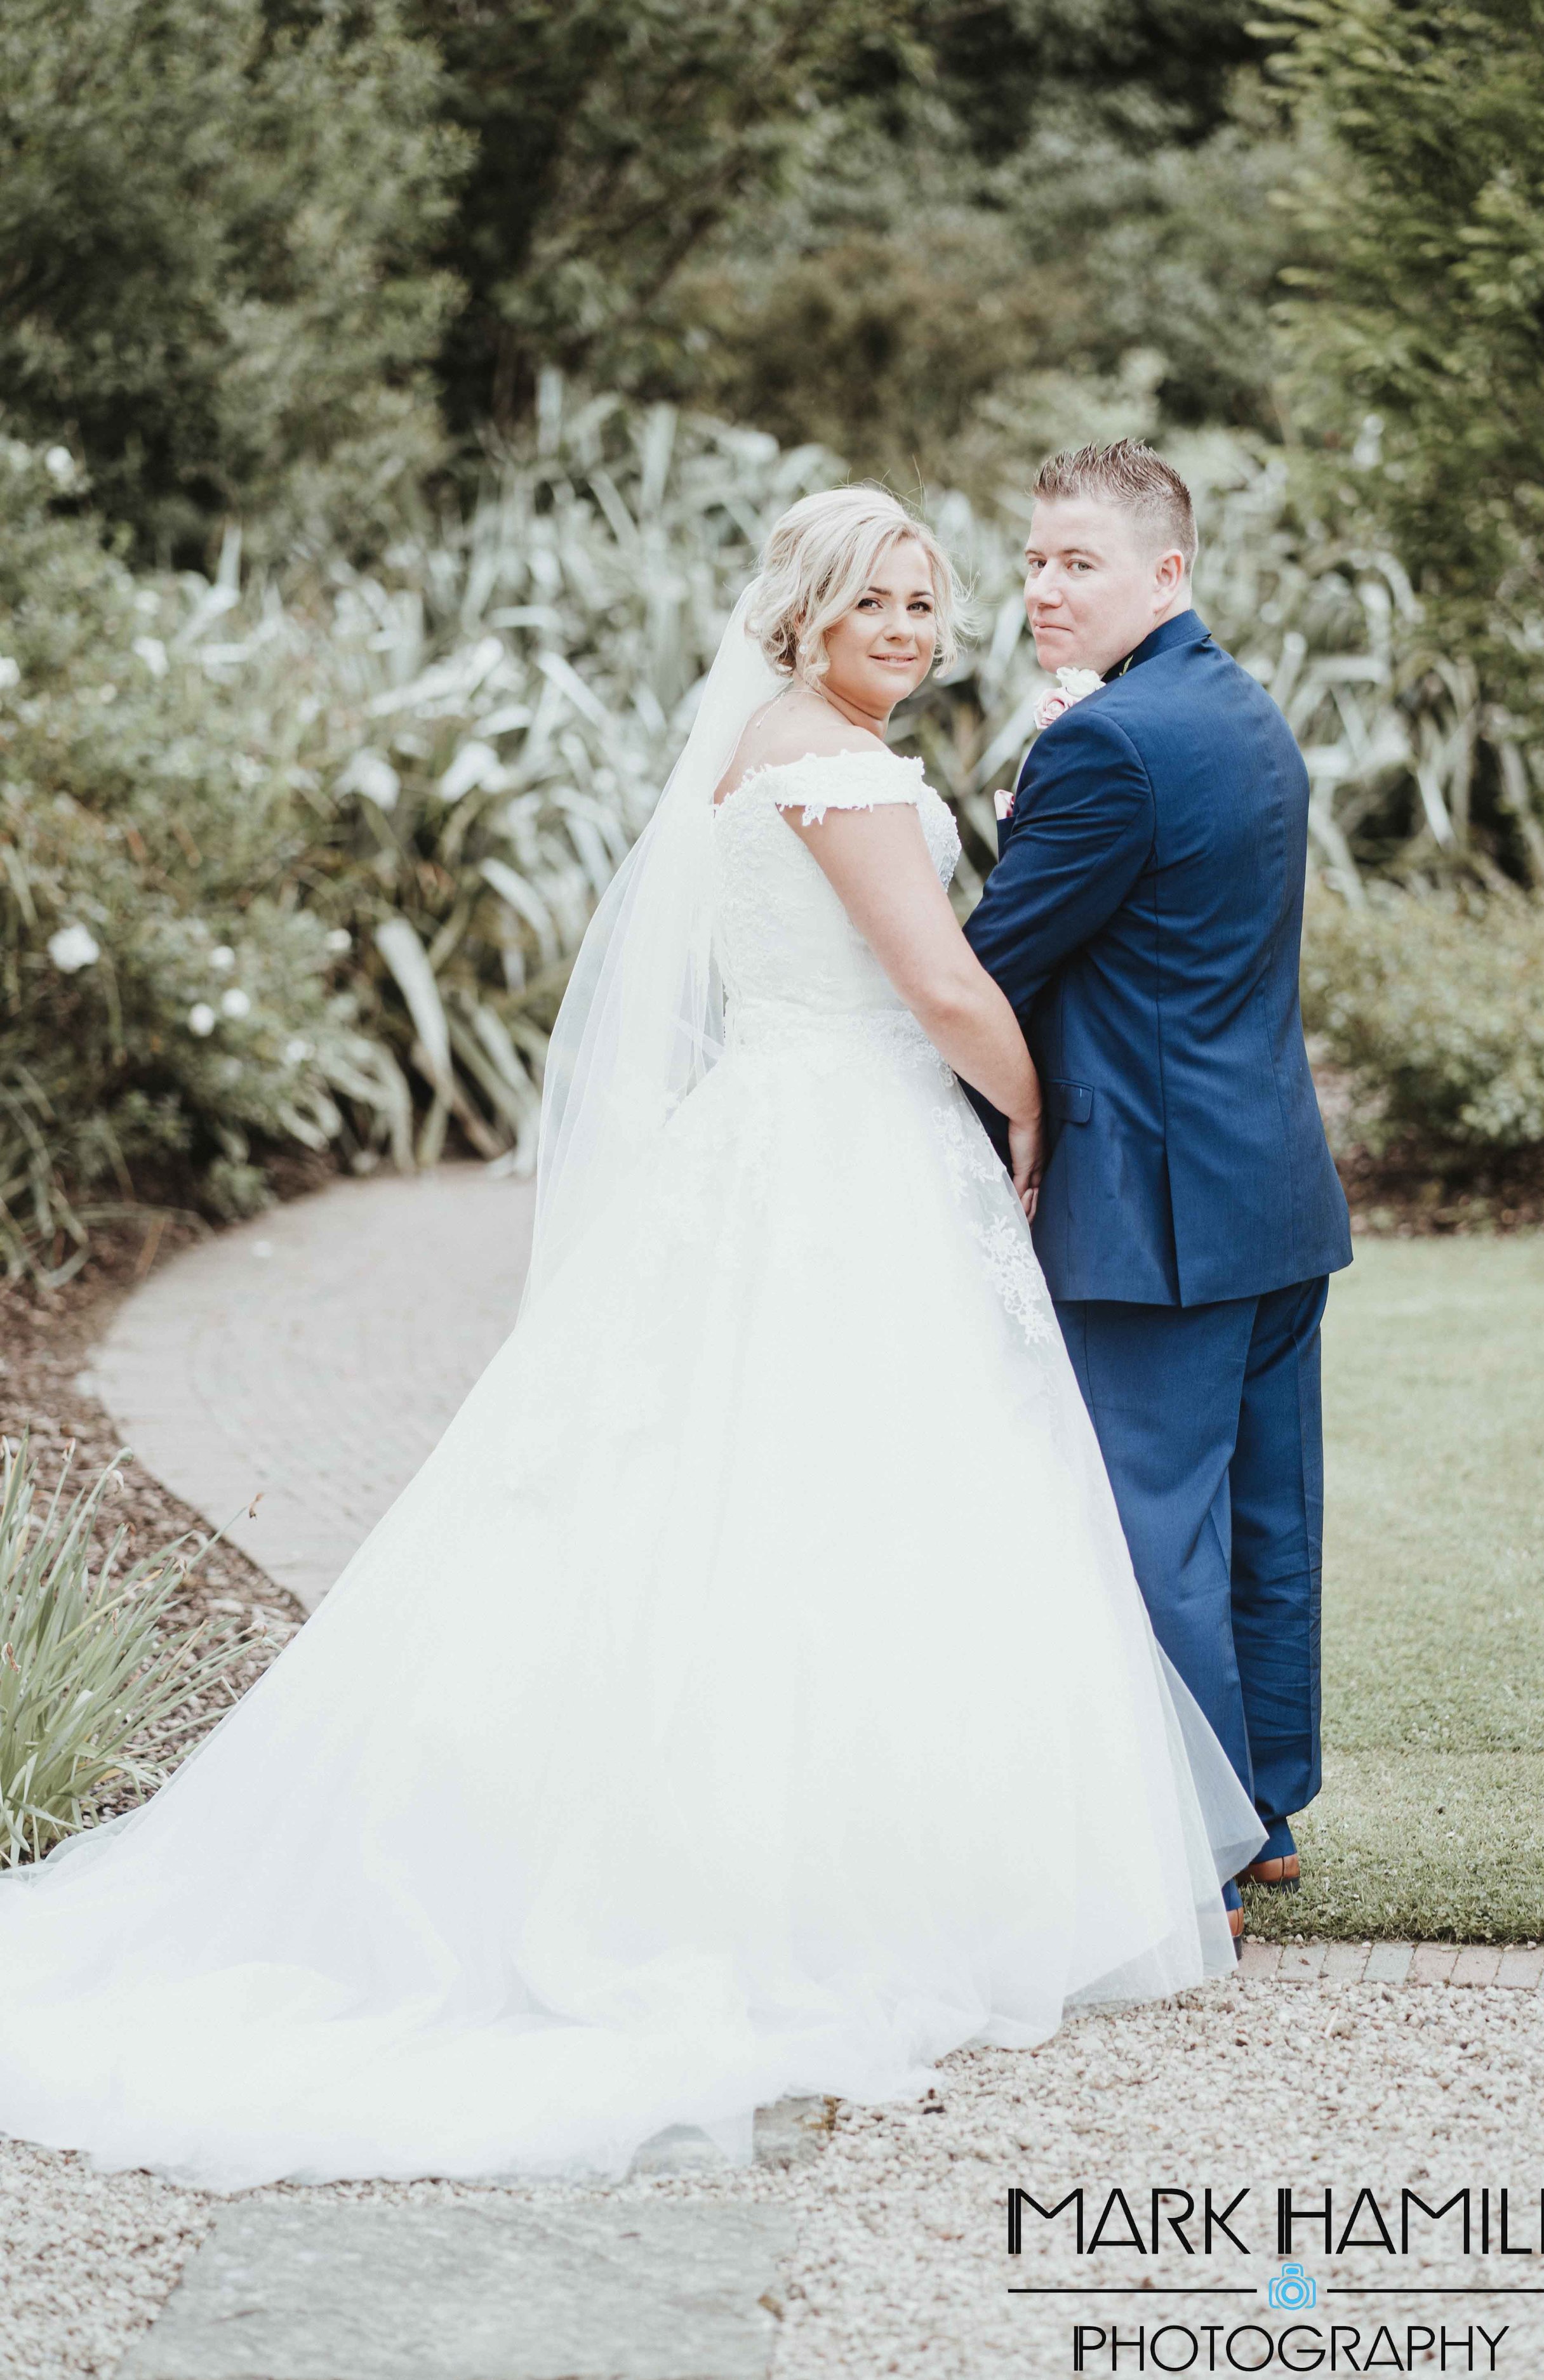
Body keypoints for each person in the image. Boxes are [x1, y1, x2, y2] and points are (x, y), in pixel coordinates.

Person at [0, 487, 1260, 2193]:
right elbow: (942, 987)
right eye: (873, 602)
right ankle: (823, 1878)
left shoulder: (771, 740)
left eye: (922, 601)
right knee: (850, 1488)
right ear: (804, 614)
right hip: (846, 1149)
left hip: (778, 1127)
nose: (907, 629)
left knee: (737, 1487)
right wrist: (1035, 1111)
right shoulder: (838, 765)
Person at [964, 442, 1354, 1949]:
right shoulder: (1245, 712)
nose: (1042, 591)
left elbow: (989, 968)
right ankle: (1264, 1811)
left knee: (1148, 1532)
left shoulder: (1106, 744)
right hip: (1268, 1187)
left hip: (1150, 1212)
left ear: (1165, 570)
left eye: (1078, 563)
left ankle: (1189, 1849)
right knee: (1265, 1517)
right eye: (1033, 561)